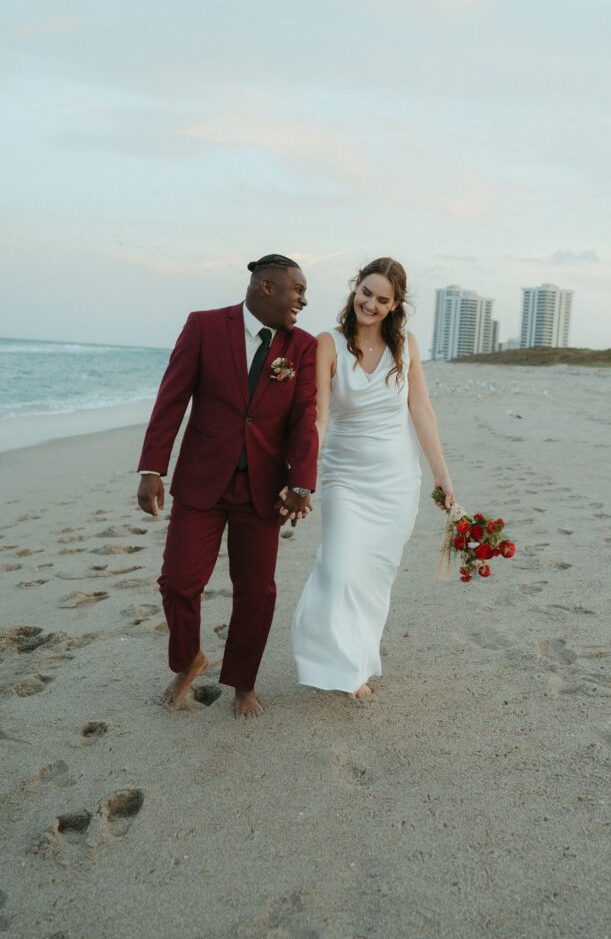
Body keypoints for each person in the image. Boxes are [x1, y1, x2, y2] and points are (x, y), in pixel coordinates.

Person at [137, 255, 318, 718]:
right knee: (178, 581)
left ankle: (242, 682)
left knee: (256, 591)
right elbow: (171, 398)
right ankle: (189, 659)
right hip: (201, 482)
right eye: (297, 289)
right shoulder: (204, 327)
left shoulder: (302, 347)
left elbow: (304, 420)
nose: (303, 298)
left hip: (264, 489)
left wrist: (302, 483)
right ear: (266, 287)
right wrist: (152, 468)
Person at [291, 258, 454, 698]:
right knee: (341, 568)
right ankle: (325, 654)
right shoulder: (329, 344)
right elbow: (319, 420)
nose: (371, 303)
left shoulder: (407, 346)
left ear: (395, 304)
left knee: (374, 580)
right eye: (366, 292)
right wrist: (302, 476)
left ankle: (355, 667)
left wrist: (442, 476)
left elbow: (421, 411)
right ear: (354, 289)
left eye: (383, 299)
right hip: (345, 478)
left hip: (399, 483)